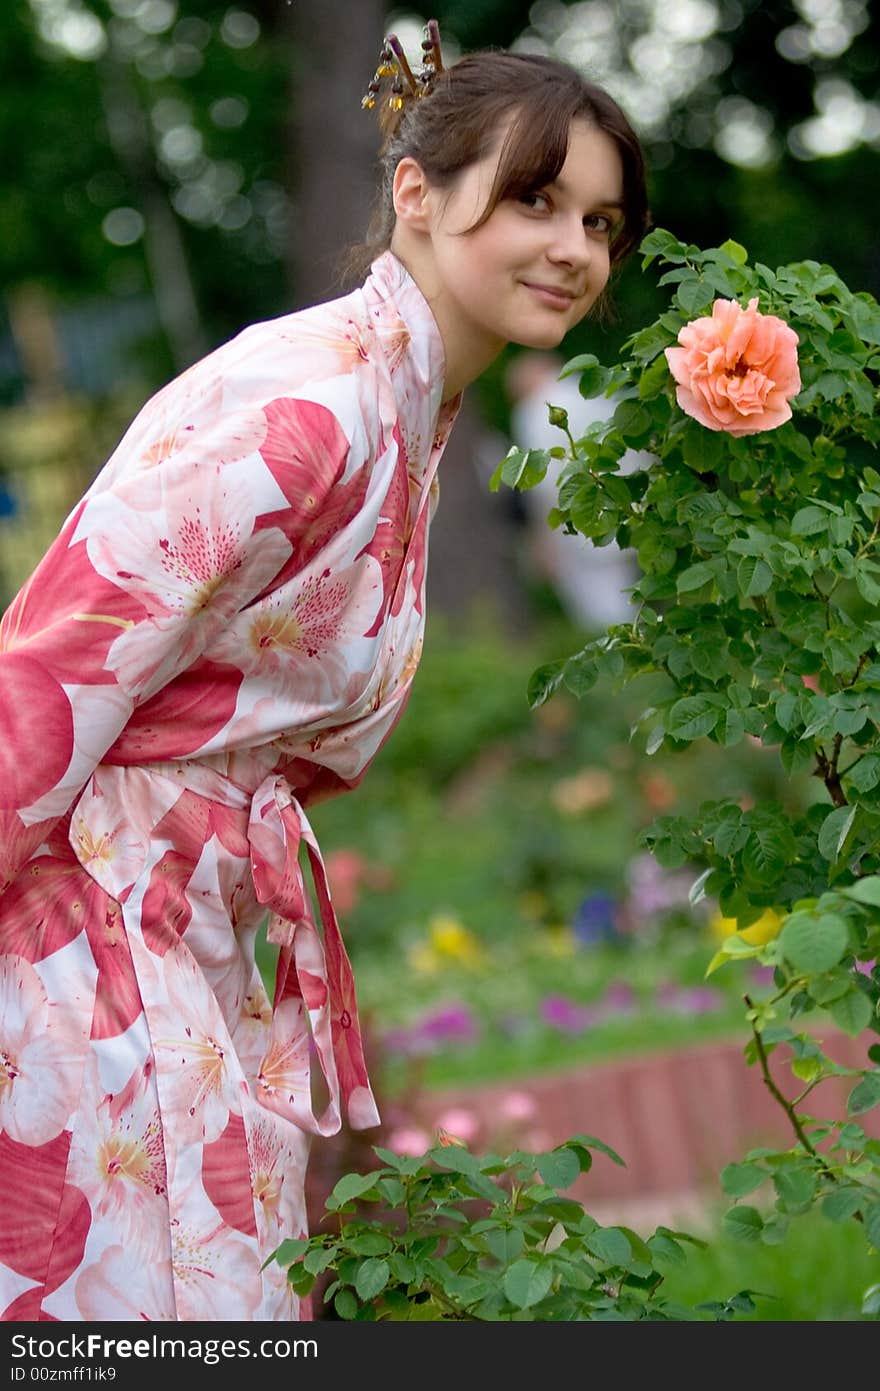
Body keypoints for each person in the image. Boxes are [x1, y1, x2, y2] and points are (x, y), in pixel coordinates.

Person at [0, 23, 648, 1321]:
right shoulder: (314, 412)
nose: (575, 246)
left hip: (186, 924)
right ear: (416, 190)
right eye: (535, 198)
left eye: (603, 220)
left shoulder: (401, 416)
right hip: (88, 921)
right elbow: (52, 663)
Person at [505, 351, 652, 629]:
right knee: (624, 588)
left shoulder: (533, 412)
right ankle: (638, 642)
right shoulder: (592, 396)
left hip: (578, 521)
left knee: (599, 605)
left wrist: (542, 537)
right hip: (626, 506)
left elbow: (540, 484)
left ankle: (621, 649)